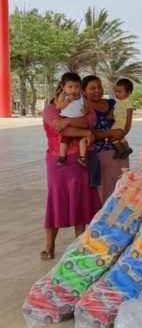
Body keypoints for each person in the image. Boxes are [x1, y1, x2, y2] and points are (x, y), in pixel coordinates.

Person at [41, 74, 102, 260]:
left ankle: (80, 244)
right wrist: (80, 129)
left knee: (81, 200)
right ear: (61, 88)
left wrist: (68, 121)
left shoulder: (85, 108)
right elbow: (60, 130)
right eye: (69, 88)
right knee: (55, 201)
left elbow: (89, 122)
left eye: (76, 88)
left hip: (80, 161)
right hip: (57, 161)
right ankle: (49, 244)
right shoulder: (50, 109)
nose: (73, 92)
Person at [83, 75, 130, 202]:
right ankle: (101, 219)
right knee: (102, 192)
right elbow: (85, 133)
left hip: (119, 152)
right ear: (84, 91)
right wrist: (110, 133)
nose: (97, 90)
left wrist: (122, 132)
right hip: (97, 155)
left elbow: (123, 121)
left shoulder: (113, 104)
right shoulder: (83, 109)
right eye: (92, 88)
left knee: (121, 188)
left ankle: (118, 218)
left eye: (100, 87)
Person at [55, 72, 88, 167]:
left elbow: (86, 106)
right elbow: (58, 106)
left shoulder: (81, 97)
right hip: (66, 120)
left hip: (79, 120)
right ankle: (62, 156)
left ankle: (83, 157)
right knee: (65, 139)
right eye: (70, 87)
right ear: (63, 87)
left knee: (82, 138)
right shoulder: (63, 96)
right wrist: (68, 100)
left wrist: (85, 110)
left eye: (77, 87)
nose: (74, 89)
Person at [110, 78, 134, 159]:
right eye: (116, 91)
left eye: (120, 92)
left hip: (122, 124)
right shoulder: (118, 102)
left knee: (113, 138)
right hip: (117, 123)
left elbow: (129, 114)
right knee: (121, 138)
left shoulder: (127, 102)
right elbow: (113, 109)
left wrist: (127, 126)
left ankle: (121, 150)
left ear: (128, 93)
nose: (117, 94)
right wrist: (110, 115)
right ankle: (127, 149)